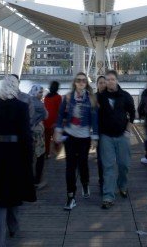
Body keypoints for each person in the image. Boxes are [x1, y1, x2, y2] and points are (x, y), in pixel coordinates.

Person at [0, 75, 36, 246]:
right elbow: (26, 136)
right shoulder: (22, 107)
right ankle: (13, 226)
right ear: (16, 88)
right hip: (15, 156)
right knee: (13, 192)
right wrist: (27, 158)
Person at [55, 72, 99, 210]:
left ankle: (85, 183)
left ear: (86, 83)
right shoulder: (68, 98)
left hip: (84, 137)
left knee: (83, 164)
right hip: (70, 136)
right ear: (74, 82)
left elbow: (95, 120)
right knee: (70, 166)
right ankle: (71, 197)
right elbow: (60, 114)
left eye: (84, 81)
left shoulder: (91, 99)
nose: (81, 83)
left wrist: (95, 137)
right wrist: (57, 130)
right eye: (78, 80)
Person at [97, 69, 135, 209]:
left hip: (122, 135)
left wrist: (128, 129)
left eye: (112, 79)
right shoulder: (101, 97)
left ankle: (122, 185)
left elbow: (132, 112)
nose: (110, 82)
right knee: (108, 167)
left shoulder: (125, 96)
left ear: (117, 80)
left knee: (124, 164)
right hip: (106, 136)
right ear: (105, 82)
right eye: (107, 80)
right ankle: (108, 196)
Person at [36, 80, 62, 189]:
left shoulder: (46, 97)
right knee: (56, 137)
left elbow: (45, 108)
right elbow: (60, 109)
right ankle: (56, 149)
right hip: (54, 120)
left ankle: (47, 153)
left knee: (46, 138)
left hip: (46, 120)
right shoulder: (58, 97)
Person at [27, 84, 48, 190]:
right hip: (37, 132)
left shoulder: (26, 100)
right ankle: (37, 180)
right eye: (40, 92)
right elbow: (46, 115)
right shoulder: (39, 104)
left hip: (28, 132)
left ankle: (28, 179)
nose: (41, 94)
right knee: (40, 155)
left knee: (29, 156)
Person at [95, 75, 107, 193]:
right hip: (98, 131)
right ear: (97, 85)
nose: (102, 84)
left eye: (104, 82)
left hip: (109, 132)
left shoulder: (110, 96)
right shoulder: (94, 98)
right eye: (100, 83)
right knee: (100, 158)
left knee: (109, 158)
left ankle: (107, 180)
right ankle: (102, 180)